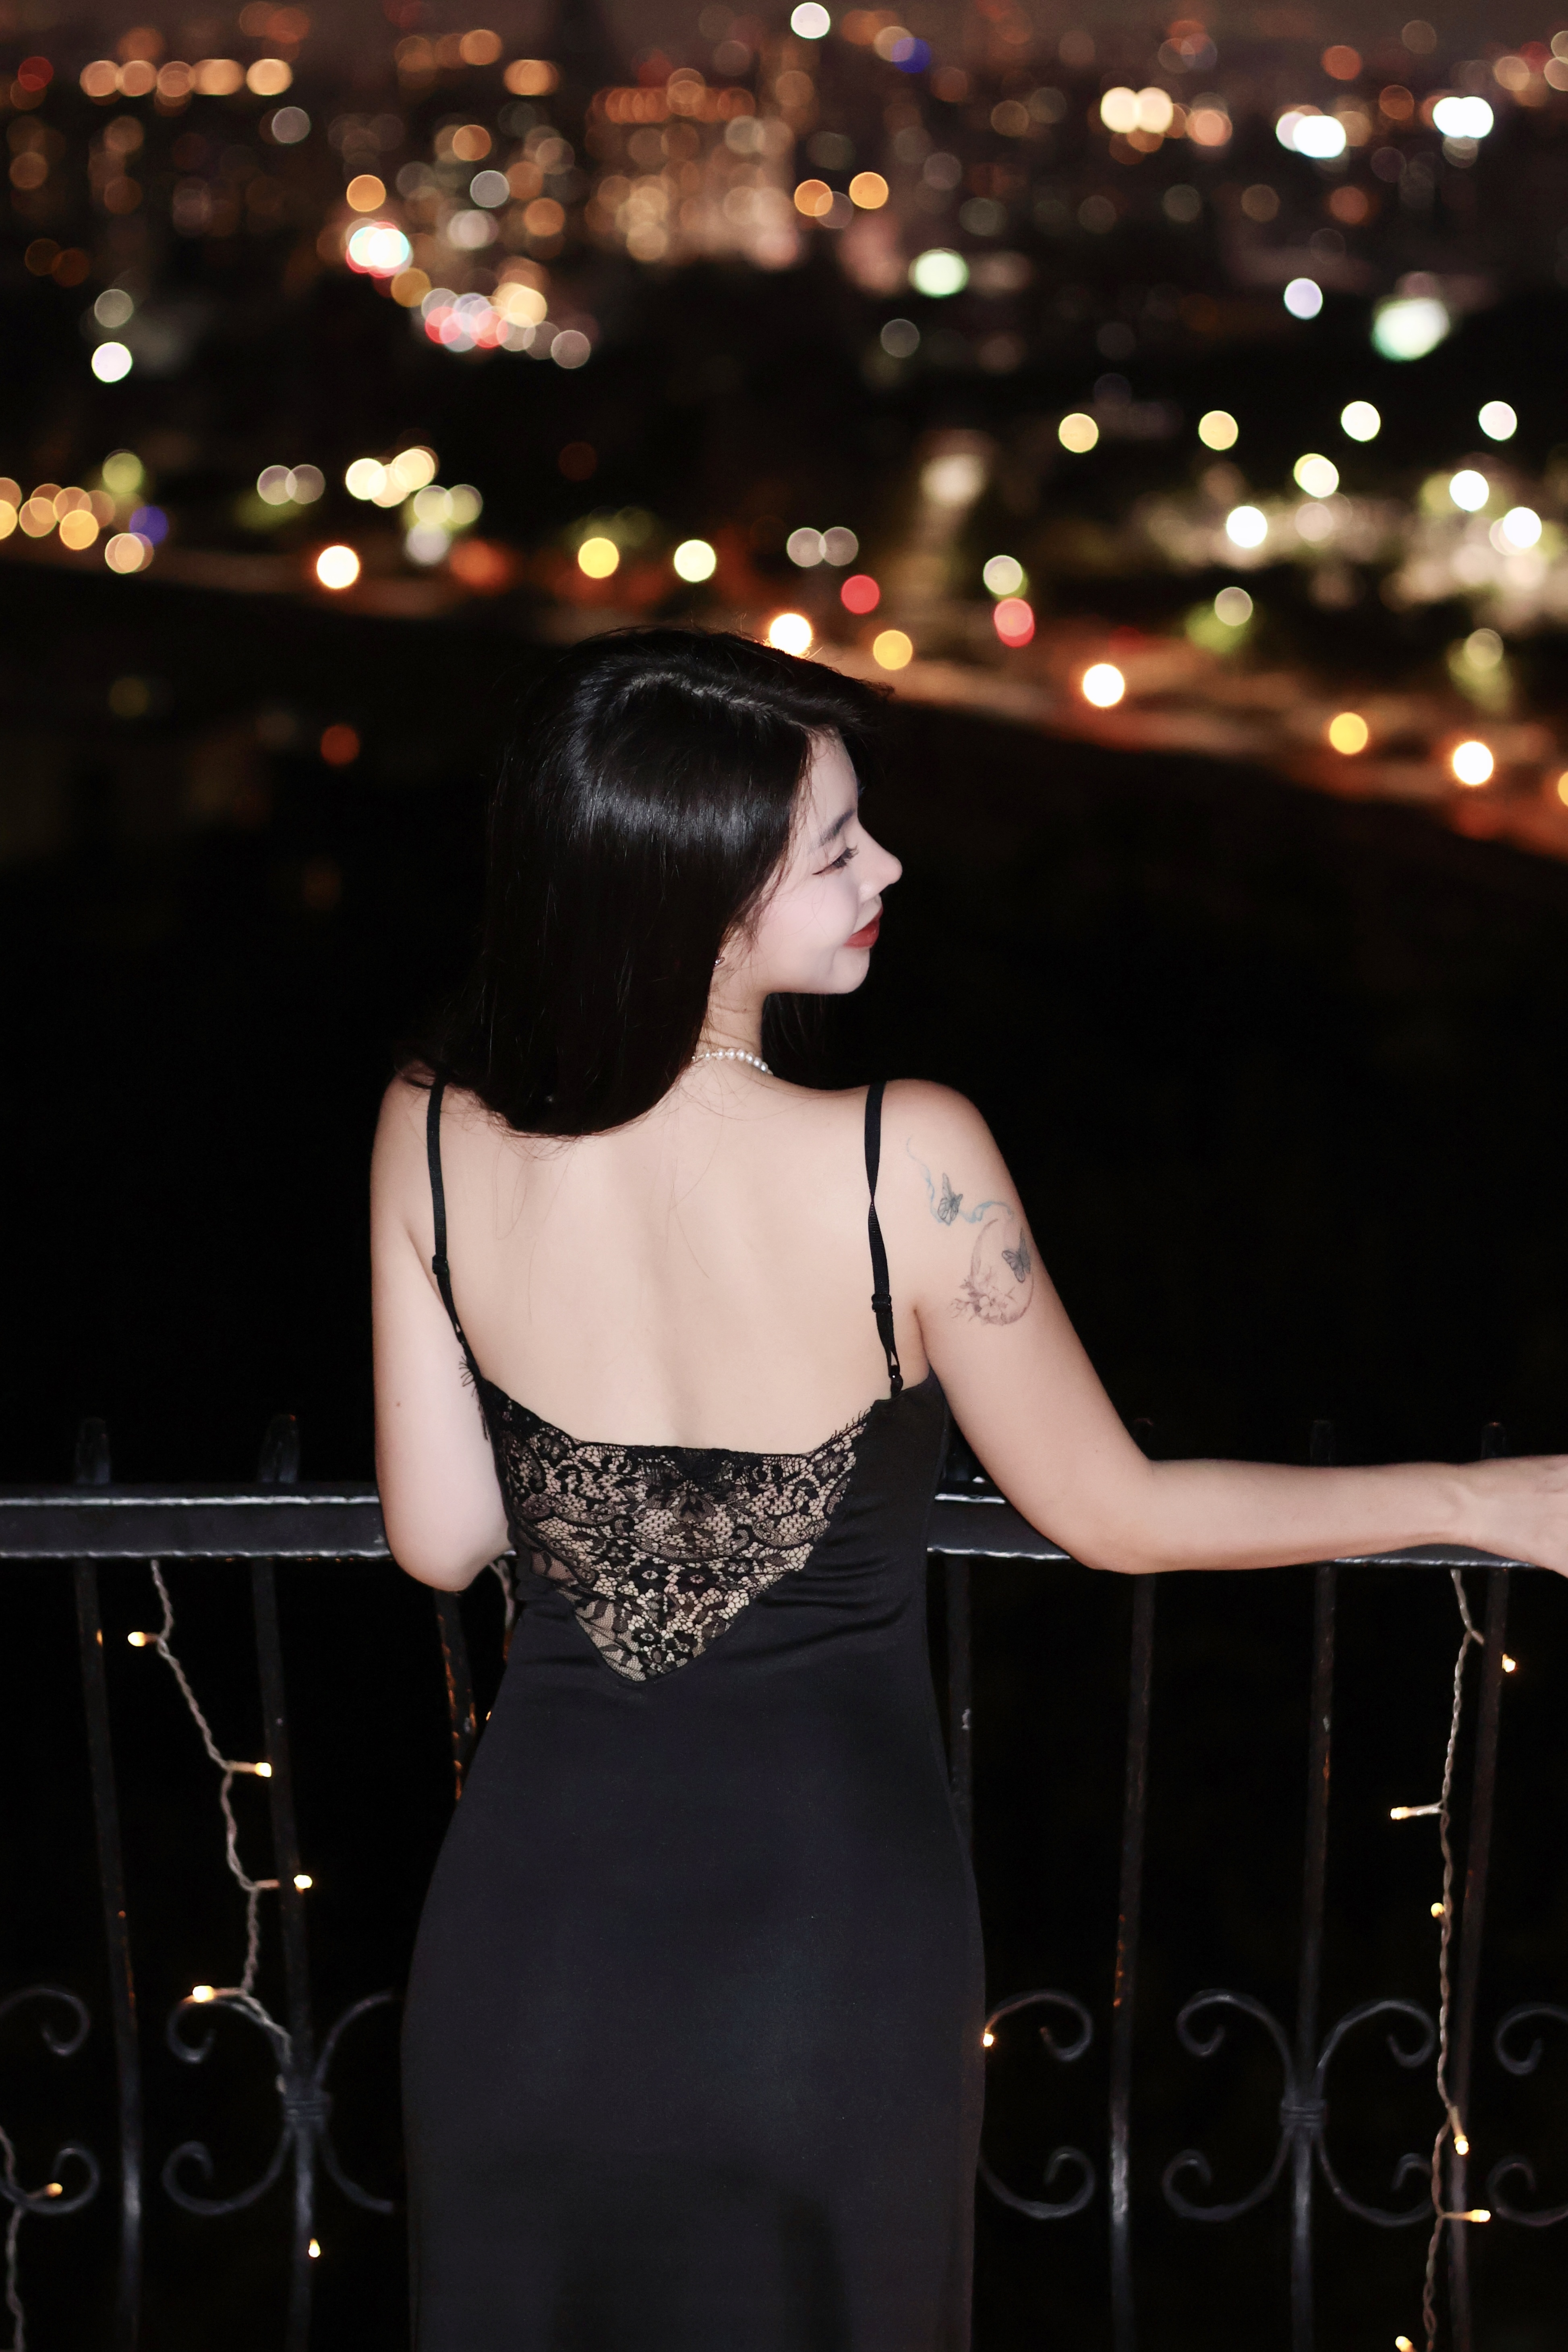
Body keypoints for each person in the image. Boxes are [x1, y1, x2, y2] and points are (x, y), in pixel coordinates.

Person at [371, 627, 1568, 2352]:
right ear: (700, 890)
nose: (889, 870)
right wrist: (1482, 1501)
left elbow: (441, 1538)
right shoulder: (899, 1158)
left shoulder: (427, 1129)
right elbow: (1113, 1514)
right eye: (836, 848)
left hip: (528, 1942)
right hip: (819, 1941)